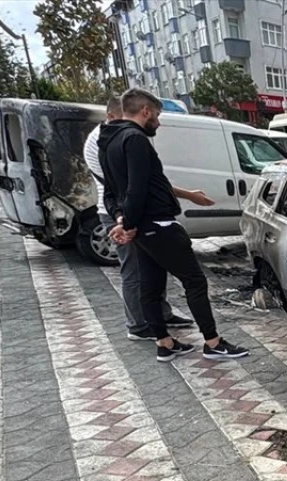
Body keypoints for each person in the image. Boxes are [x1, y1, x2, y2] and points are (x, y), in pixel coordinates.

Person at [98, 89, 249, 362]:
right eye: (156, 114)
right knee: (194, 280)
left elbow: (111, 192)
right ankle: (213, 342)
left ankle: (164, 343)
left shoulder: (108, 141)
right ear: (145, 111)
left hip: (141, 228)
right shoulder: (135, 139)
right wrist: (128, 223)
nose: (158, 121)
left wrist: (122, 219)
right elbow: (138, 188)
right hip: (158, 223)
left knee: (151, 285)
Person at [83, 97, 196, 341]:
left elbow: (147, 181)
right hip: (120, 213)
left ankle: (161, 316)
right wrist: (127, 224)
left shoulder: (120, 137)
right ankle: (138, 324)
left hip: (130, 212)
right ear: (115, 116)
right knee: (134, 271)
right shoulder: (110, 140)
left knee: (152, 269)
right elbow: (129, 186)